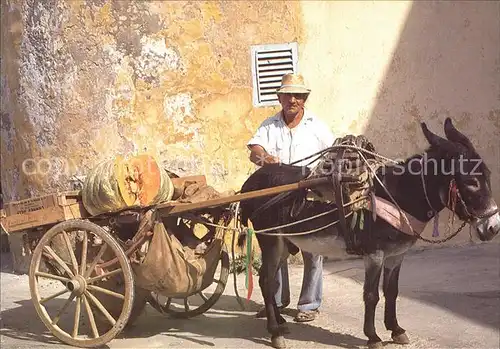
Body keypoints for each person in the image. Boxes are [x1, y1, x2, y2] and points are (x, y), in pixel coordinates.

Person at [247, 73, 335, 322]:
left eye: (297, 95)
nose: (292, 100)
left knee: (313, 250)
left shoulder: (316, 125)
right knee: (275, 251)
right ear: (280, 98)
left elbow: (332, 154)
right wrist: (267, 160)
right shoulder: (269, 125)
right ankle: (275, 302)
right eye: (287, 95)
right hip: (277, 199)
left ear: (304, 99)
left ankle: (308, 305)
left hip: (309, 197)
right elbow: (255, 150)